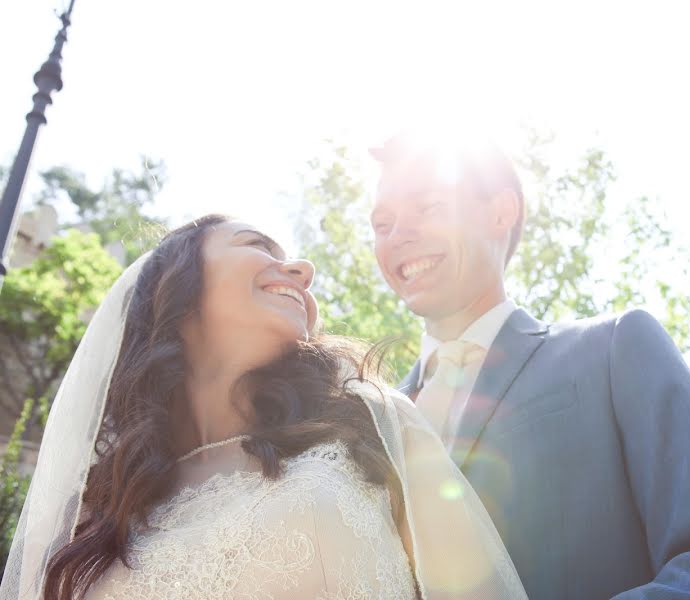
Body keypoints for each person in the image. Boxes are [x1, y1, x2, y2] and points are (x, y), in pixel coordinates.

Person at [369, 132, 690, 599]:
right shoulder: (370, 424)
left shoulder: (614, 348)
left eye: (428, 207)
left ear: (501, 212)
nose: (399, 236)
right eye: (382, 224)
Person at [0, 215, 526, 600]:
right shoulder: (98, 511)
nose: (303, 269)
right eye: (257, 245)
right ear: (175, 289)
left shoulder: (370, 426)